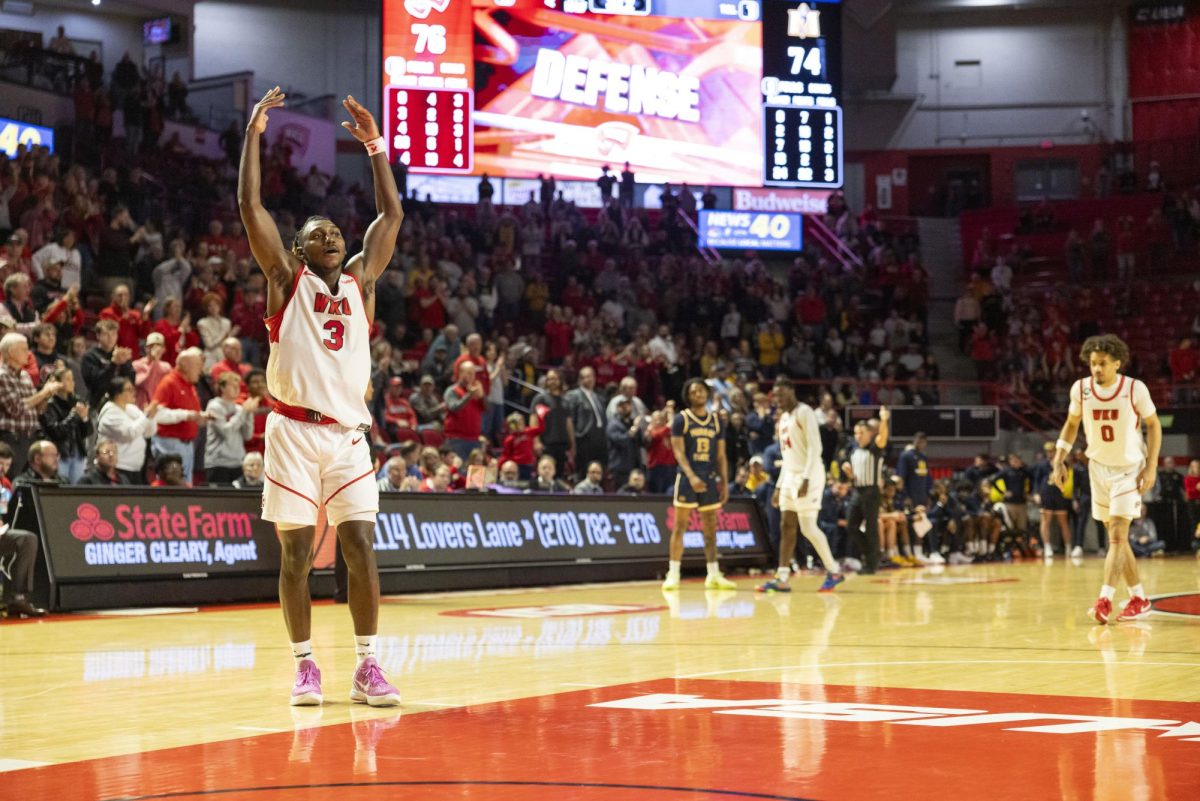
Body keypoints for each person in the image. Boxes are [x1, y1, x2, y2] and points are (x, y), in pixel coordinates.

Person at [240, 87, 403, 706]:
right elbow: (250, 203)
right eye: (317, 232)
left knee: (360, 546)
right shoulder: (285, 279)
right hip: (292, 430)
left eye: (336, 230)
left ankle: (367, 666)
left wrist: (374, 145)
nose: (331, 235)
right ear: (301, 248)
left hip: (347, 437)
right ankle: (305, 666)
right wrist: (254, 135)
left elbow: (390, 219)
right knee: (297, 554)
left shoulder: (362, 281)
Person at [1050, 335, 1161, 624]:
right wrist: (1059, 457)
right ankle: (1139, 598)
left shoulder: (1134, 388)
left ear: (1117, 363)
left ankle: (1104, 600)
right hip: (1097, 467)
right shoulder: (1081, 389)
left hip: (1129, 468)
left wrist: (1151, 467)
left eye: (1102, 364)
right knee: (1118, 541)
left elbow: (1154, 424)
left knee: (1116, 536)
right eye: (1092, 364)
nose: (1096, 369)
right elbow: (1072, 423)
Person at [757, 378, 843, 593]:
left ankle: (834, 570)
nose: (779, 398)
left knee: (808, 527)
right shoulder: (783, 418)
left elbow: (816, 447)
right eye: (775, 395)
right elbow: (787, 457)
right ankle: (782, 577)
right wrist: (778, 486)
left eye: (782, 393)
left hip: (810, 474)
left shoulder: (805, 412)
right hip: (790, 476)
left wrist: (805, 478)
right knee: (786, 526)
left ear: (792, 392)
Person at [661, 378, 736, 591]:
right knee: (680, 526)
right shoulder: (681, 419)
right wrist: (692, 476)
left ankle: (713, 574)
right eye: (694, 392)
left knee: (711, 528)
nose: (698, 394)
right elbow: (678, 451)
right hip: (687, 478)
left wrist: (725, 482)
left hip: (710, 477)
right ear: (688, 395)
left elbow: (721, 455)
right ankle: (673, 573)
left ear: (707, 393)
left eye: (701, 391)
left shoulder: (715, 421)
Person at [0, 332, 61, 476]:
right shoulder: (2, 376)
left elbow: (37, 409)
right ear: (11, 352)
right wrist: (44, 392)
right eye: (23, 349)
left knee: (26, 483)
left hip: (29, 438)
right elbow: (16, 409)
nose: (28, 353)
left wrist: (46, 397)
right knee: (10, 481)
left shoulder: (25, 376)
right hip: (10, 439)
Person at [842, 407, 891, 574]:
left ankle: (871, 563)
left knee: (871, 527)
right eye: (856, 433)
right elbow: (854, 477)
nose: (858, 436)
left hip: (871, 492)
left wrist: (884, 419)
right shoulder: (854, 451)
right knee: (851, 525)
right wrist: (849, 473)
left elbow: (883, 437)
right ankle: (872, 554)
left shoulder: (874, 448)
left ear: (869, 434)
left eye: (861, 433)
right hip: (858, 490)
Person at [151, 348, 206, 485]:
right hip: (170, 443)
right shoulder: (169, 383)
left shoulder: (190, 385)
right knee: (171, 483)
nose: (201, 370)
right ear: (185, 365)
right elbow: (157, 414)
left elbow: (191, 414)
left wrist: (201, 417)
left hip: (187, 444)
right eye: (198, 365)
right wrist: (187, 415)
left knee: (185, 485)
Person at [96, 377, 158, 485]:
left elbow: (148, 432)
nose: (133, 392)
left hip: (136, 467)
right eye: (129, 389)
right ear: (117, 394)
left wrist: (151, 418)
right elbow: (130, 432)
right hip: (119, 467)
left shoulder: (131, 409)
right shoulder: (110, 413)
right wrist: (146, 416)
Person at [38, 367, 91, 484]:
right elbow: (56, 432)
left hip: (78, 453)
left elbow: (88, 432)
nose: (72, 382)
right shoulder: (50, 404)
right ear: (57, 382)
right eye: (67, 379)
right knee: (61, 487)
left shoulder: (78, 401)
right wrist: (75, 416)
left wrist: (84, 418)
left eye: (72, 379)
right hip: (60, 454)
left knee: (77, 489)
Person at [205, 371, 258, 485]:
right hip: (218, 463)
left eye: (238, 385)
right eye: (232, 385)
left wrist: (249, 414)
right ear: (222, 387)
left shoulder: (239, 409)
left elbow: (247, 435)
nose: (236, 388)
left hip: (237, 462)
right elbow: (226, 432)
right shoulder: (214, 406)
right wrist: (244, 411)